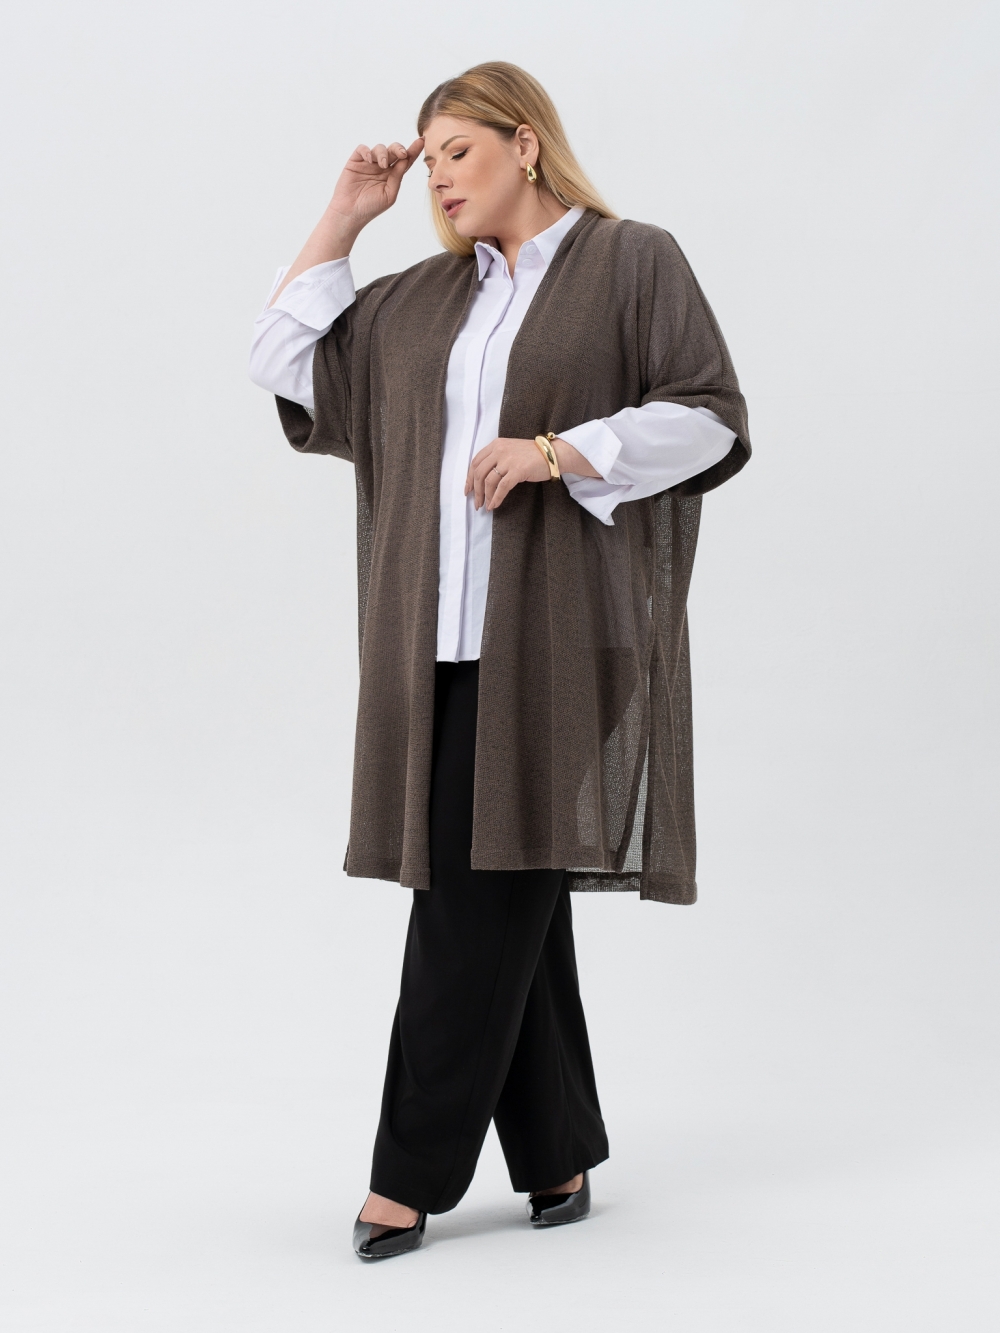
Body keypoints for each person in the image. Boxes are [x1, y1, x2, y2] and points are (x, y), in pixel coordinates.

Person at [249, 61, 750, 1260]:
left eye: (457, 153)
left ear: (526, 144)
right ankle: (558, 1150)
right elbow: (279, 360)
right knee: (507, 883)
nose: (438, 179)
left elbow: (709, 416)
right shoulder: (423, 300)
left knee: (466, 900)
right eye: (427, 162)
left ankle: (406, 1174)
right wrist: (343, 216)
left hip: (567, 640)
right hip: (433, 646)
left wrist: (559, 450)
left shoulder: (632, 262)